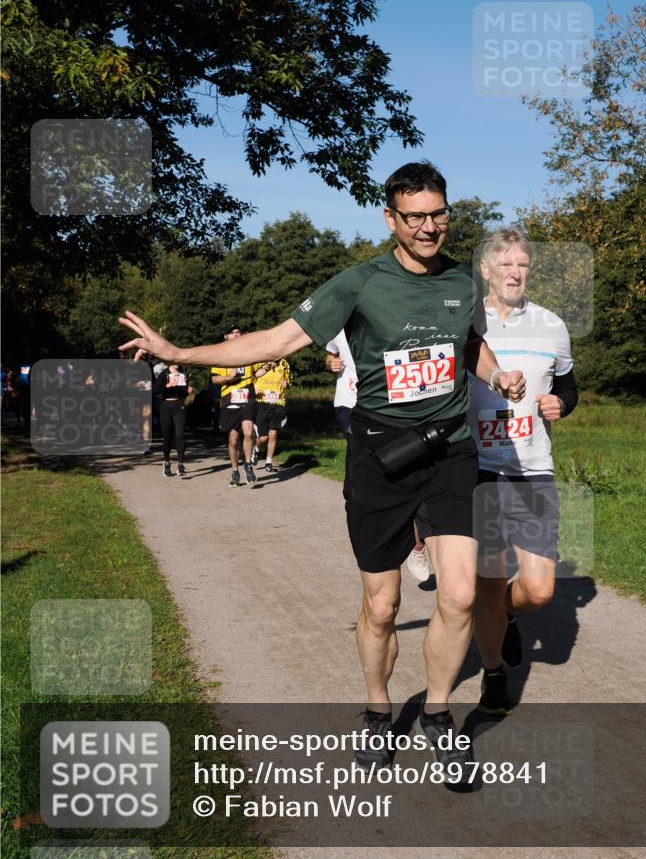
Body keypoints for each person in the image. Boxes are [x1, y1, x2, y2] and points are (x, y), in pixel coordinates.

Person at [119, 161, 525, 772]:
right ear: (391, 218)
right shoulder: (358, 283)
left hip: (450, 449)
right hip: (380, 455)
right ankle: (378, 708)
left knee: (461, 594)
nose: (428, 226)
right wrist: (179, 353)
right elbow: (277, 341)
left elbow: (469, 344)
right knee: (383, 605)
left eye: (438, 214)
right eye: (414, 216)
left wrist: (495, 375)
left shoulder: (464, 283)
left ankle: (439, 715)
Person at [469, 228, 578, 715]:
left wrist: (562, 403)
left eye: (523, 265)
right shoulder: (467, 325)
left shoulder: (552, 325)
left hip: (533, 470)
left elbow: (569, 387)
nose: (515, 272)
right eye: (506, 264)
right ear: (486, 270)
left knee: (538, 589)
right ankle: (493, 675)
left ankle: (509, 617)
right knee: (487, 582)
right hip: (479, 471)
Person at [326, 331, 431, 584]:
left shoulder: (393, 315)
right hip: (349, 405)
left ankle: (416, 545)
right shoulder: (338, 320)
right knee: (366, 475)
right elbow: (330, 353)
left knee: (405, 470)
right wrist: (331, 363)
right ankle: (375, 537)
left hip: (391, 405)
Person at [211, 327, 259, 488]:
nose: (236, 334)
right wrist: (228, 378)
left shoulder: (249, 354)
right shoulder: (220, 355)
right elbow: (215, 380)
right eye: (233, 332)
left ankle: (248, 465)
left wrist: (268, 367)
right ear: (226, 337)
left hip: (247, 397)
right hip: (229, 399)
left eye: (239, 332)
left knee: (248, 431)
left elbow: (257, 372)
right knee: (233, 439)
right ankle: (235, 470)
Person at [252, 358, 292, 473]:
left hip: (278, 403)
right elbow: (250, 379)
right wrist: (253, 389)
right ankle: (257, 449)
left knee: (273, 434)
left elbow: (290, 381)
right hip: (261, 403)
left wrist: (287, 384)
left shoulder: (284, 363)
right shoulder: (259, 362)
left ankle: (268, 462)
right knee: (263, 437)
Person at [154, 363, 193, 477]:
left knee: (180, 435)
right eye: (174, 360)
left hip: (180, 406)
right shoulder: (164, 374)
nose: (177, 362)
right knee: (167, 437)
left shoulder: (184, 373)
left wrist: (188, 391)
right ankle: (166, 462)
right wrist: (167, 386)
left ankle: (180, 464)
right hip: (166, 406)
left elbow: (185, 391)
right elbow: (155, 391)